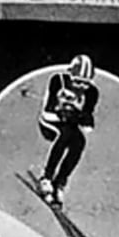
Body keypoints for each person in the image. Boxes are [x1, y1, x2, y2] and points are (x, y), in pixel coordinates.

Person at [36, 53, 100, 207]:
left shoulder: (92, 93)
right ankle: (46, 177)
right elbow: (49, 112)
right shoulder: (58, 81)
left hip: (69, 125)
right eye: (77, 81)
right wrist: (64, 114)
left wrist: (83, 117)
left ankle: (60, 182)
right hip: (50, 122)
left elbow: (88, 124)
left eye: (85, 83)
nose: (80, 87)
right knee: (64, 134)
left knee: (80, 142)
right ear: (70, 74)